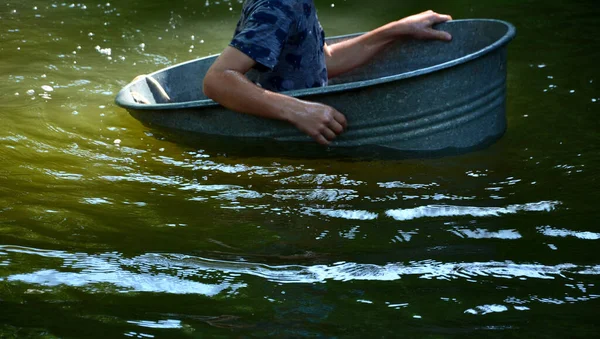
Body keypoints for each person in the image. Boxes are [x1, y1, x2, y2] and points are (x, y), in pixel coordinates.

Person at [202, 1, 453, 145]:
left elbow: (320, 61)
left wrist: (395, 30)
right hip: (277, 141)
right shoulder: (278, 5)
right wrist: (300, 111)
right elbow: (217, 79)